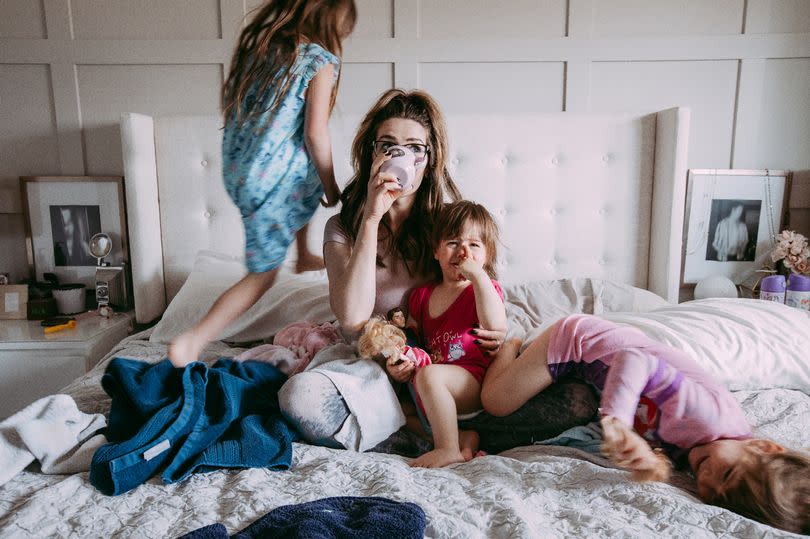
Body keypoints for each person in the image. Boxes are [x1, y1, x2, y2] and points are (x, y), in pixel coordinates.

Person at [278, 88, 598, 454]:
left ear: (429, 160)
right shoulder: (342, 227)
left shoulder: (444, 227)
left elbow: (480, 288)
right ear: (372, 153)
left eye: (416, 148)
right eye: (389, 145)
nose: (403, 157)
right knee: (299, 398)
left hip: (448, 370)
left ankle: (423, 427)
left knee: (578, 399)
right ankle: (439, 432)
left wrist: (496, 335)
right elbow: (352, 318)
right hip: (376, 370)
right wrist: (371, 216)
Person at [481, 313, 810, 534]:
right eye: (727, 474)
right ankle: (511, 346)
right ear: (762, 446)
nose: (709, 483)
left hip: (595, 381)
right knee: (495, 401)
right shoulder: (706, 417)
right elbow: (633, 359)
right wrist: (618, 423)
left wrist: (649, 457)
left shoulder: (711, 446)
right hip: (579, 343)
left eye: (718, 499)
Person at [168, 0, 357, 367]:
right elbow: (316, 134)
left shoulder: (265, 52)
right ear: (330, 22)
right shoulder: (319, 61)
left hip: (243, 172)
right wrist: (333, 186)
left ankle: (302, 254)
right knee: (264, 274)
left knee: (303, 171)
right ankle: (192, 340)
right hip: (271, 181)